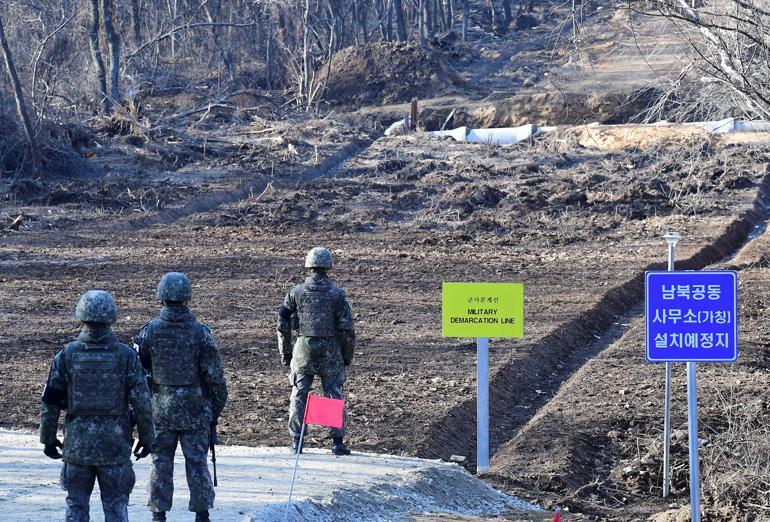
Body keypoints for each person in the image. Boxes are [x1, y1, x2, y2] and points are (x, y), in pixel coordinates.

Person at [39, 290, 155, 522]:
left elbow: (50, 402)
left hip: (77, 449)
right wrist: (147, 437)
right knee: (116, 509)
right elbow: (142, 402)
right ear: (111, 317)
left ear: (81, 316)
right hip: (114, 449)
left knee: (76, 507)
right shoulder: (126, 356)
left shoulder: (66, 355)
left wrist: (48, 439)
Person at [135, 272, 228, 522]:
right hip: (195, 412)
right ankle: (201, 514)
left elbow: (139, 372)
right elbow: (217, 380)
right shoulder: (201, 333)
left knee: (160, 462)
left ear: (161, 298)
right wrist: (212, 413)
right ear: (187, 299)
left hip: (160, 410)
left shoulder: (149, 332)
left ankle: (158, 513)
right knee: (197, 462)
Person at [278, 247, 356, 456]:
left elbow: (282, 322)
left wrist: (285, 352)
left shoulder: (295, 292)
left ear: (309, 266)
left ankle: (297, 440)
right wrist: (347, 355)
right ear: (328, 266)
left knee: (300, 393)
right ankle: (336, 442)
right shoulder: (337, 295)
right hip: (330, 351)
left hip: (303, 350)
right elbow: (347, 329)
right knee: (332, 394)